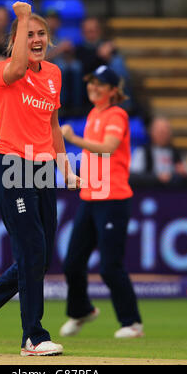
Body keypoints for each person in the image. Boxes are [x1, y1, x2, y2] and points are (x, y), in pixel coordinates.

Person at [0, 2, 81, 356]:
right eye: (29, 35)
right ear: (15, 41)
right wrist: (23, 17)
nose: (37, 39)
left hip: (42, 170)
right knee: (32, 250)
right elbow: (15, 69)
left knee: (39, 259)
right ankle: (33, 337)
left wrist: (66, 169)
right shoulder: (2, 70)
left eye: (41, 34)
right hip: (13, 164)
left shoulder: (54, 74)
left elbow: (53, 126)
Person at [60, 65, 143, 339]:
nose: (93, 87)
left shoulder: (117, 114)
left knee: (110, 266)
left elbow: (108, 148)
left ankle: (132, 323)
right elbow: (95, 157)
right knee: (72, 261)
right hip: (91, 197)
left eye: (99, 84)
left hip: (114, 198)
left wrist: (73, 139)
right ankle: (81, 310)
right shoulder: (94, 113)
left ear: (112, 91)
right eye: (91, 83)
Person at [75, 17, 133, 113]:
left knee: (117, 62)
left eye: (94, 31)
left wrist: (110, 54)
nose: (92, 34)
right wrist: (99, 56)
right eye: (89, 31)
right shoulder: (80, 49)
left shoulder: (106, 45)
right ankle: (124, 104)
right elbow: (85, 67)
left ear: (99, 31)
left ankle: (124, 106)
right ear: (83, 33)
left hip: (109, 79)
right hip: (90, 80)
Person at [130, 116, 187, 188]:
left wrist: (184, 174)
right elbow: (133, 177)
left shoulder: (179, 153)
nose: (162, 135)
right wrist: (156, 178)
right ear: (151, 132)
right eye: (159, 132)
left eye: (165, 132)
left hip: (174, 194)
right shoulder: (142, 152)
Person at [45, 10, 83, 114]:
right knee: (60, 68)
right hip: (46, 67)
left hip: (62, 64)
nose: (52, 23)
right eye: (50, 20)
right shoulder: (40, 38)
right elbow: (40, 59)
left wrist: (70, 53)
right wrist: (60, 50)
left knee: (76, 66)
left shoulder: (61, 39)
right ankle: (61, 104)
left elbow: (69, 58)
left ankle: (77, 105)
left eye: (55, 20)